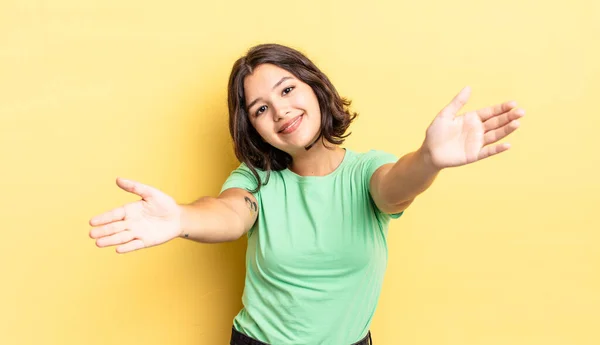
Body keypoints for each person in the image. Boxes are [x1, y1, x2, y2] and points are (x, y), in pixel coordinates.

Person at [88, 43, 524, 345]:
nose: (280, 111)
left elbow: (394, 188)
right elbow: (228, 213)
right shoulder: (256, 180)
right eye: (260, 108)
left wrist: (429, 158)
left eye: (287, 89)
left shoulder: (366, 171)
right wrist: (182, 218)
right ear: (252, 127)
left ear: (314, 86)